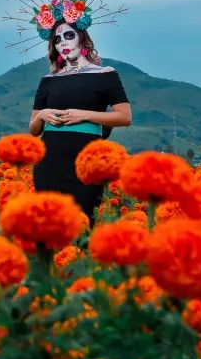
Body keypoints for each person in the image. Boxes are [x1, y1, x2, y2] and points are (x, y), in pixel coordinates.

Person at [29, 20, 132, 222]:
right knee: (48, 225)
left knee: (82, 224)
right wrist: (42, 115)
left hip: (87, 160)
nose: (63, 42)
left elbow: (124, 117)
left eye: (69, 35)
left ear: (82, 38)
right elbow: (33, 130)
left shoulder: (105, 75)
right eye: (57, 39)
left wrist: (84, 115)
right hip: (49, 160)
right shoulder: (49, 79)